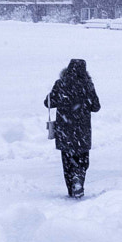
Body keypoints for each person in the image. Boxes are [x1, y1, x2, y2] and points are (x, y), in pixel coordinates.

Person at [44, 58, 101, 198]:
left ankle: (71, 189)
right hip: (82, 131)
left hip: (65, 130)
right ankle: (79, 178)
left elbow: (48, 103)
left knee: (67, 161)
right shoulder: (87, 85)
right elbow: (96, 107)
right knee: (82, 160)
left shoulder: (60, 84)